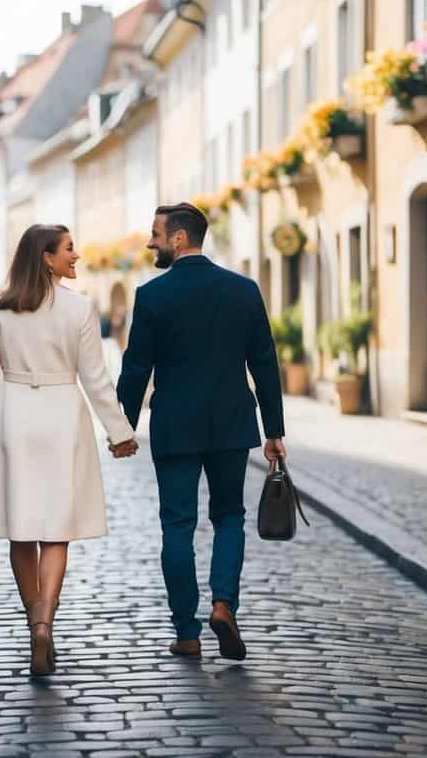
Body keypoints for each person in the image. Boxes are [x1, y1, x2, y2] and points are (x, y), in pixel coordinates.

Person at [0, 224, 139, 677]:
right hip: (62, 417)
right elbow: (96, 379)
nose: (76, 256)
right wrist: (119, 432)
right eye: (68, 249)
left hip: (14, 416)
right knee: (54, 529)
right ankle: (47, 622)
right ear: (46, 257)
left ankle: (33, 623)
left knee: (21, 529)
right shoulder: (79, 308)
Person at [117, 202, 286, 661]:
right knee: (229, 516)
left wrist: (122, 427)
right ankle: (223, 605)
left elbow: (136, 368)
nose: (150, 242)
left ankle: (186, 632)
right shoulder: (244, 290)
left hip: (174, 425)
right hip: (232, 423)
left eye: (155, 233)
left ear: (178, 238)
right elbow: (265, 365)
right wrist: (274, 429)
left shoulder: (152, 296)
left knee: (177, 525)